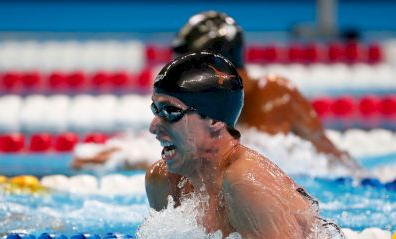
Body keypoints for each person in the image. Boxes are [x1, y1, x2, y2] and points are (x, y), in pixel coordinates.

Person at [72, 11, 357, 171]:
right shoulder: (205, 105)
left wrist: (133, 159)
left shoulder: (274, 96)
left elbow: (240, 160)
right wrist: (124, 149)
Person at [145, 52, 353, 239]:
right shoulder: (163, 181)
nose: (153, 126)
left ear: (214, 120)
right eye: (155, 109)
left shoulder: (245, 182)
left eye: (170, 111)